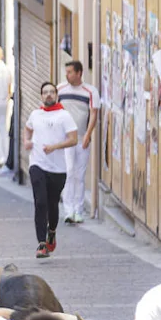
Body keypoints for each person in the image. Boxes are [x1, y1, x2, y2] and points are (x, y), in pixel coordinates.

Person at [23, 82, 78, 258]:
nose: (48, 95)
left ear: (56, 95)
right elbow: (27, 128)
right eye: (45, 92)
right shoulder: (35, 114)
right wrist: (26, 141)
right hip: (37, 163)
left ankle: (51, 231)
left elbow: (73, 139)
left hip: (58, 169)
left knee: (53, 204)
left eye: (51, 92)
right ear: (41, 96)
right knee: (40, 202)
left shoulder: (64, 116)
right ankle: (41, 244)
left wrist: (55, 146)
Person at [57, 61, 99, 224]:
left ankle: (78, 210)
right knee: (68, 172)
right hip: (66, 138)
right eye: (66, 72)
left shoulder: (90, 91)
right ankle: (68, 210)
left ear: (79, 73)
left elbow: (94, 114)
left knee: (79, 175)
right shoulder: (60, 89)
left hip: (82, 138)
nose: (67, 75)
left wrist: (88, 135)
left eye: (70, 72)